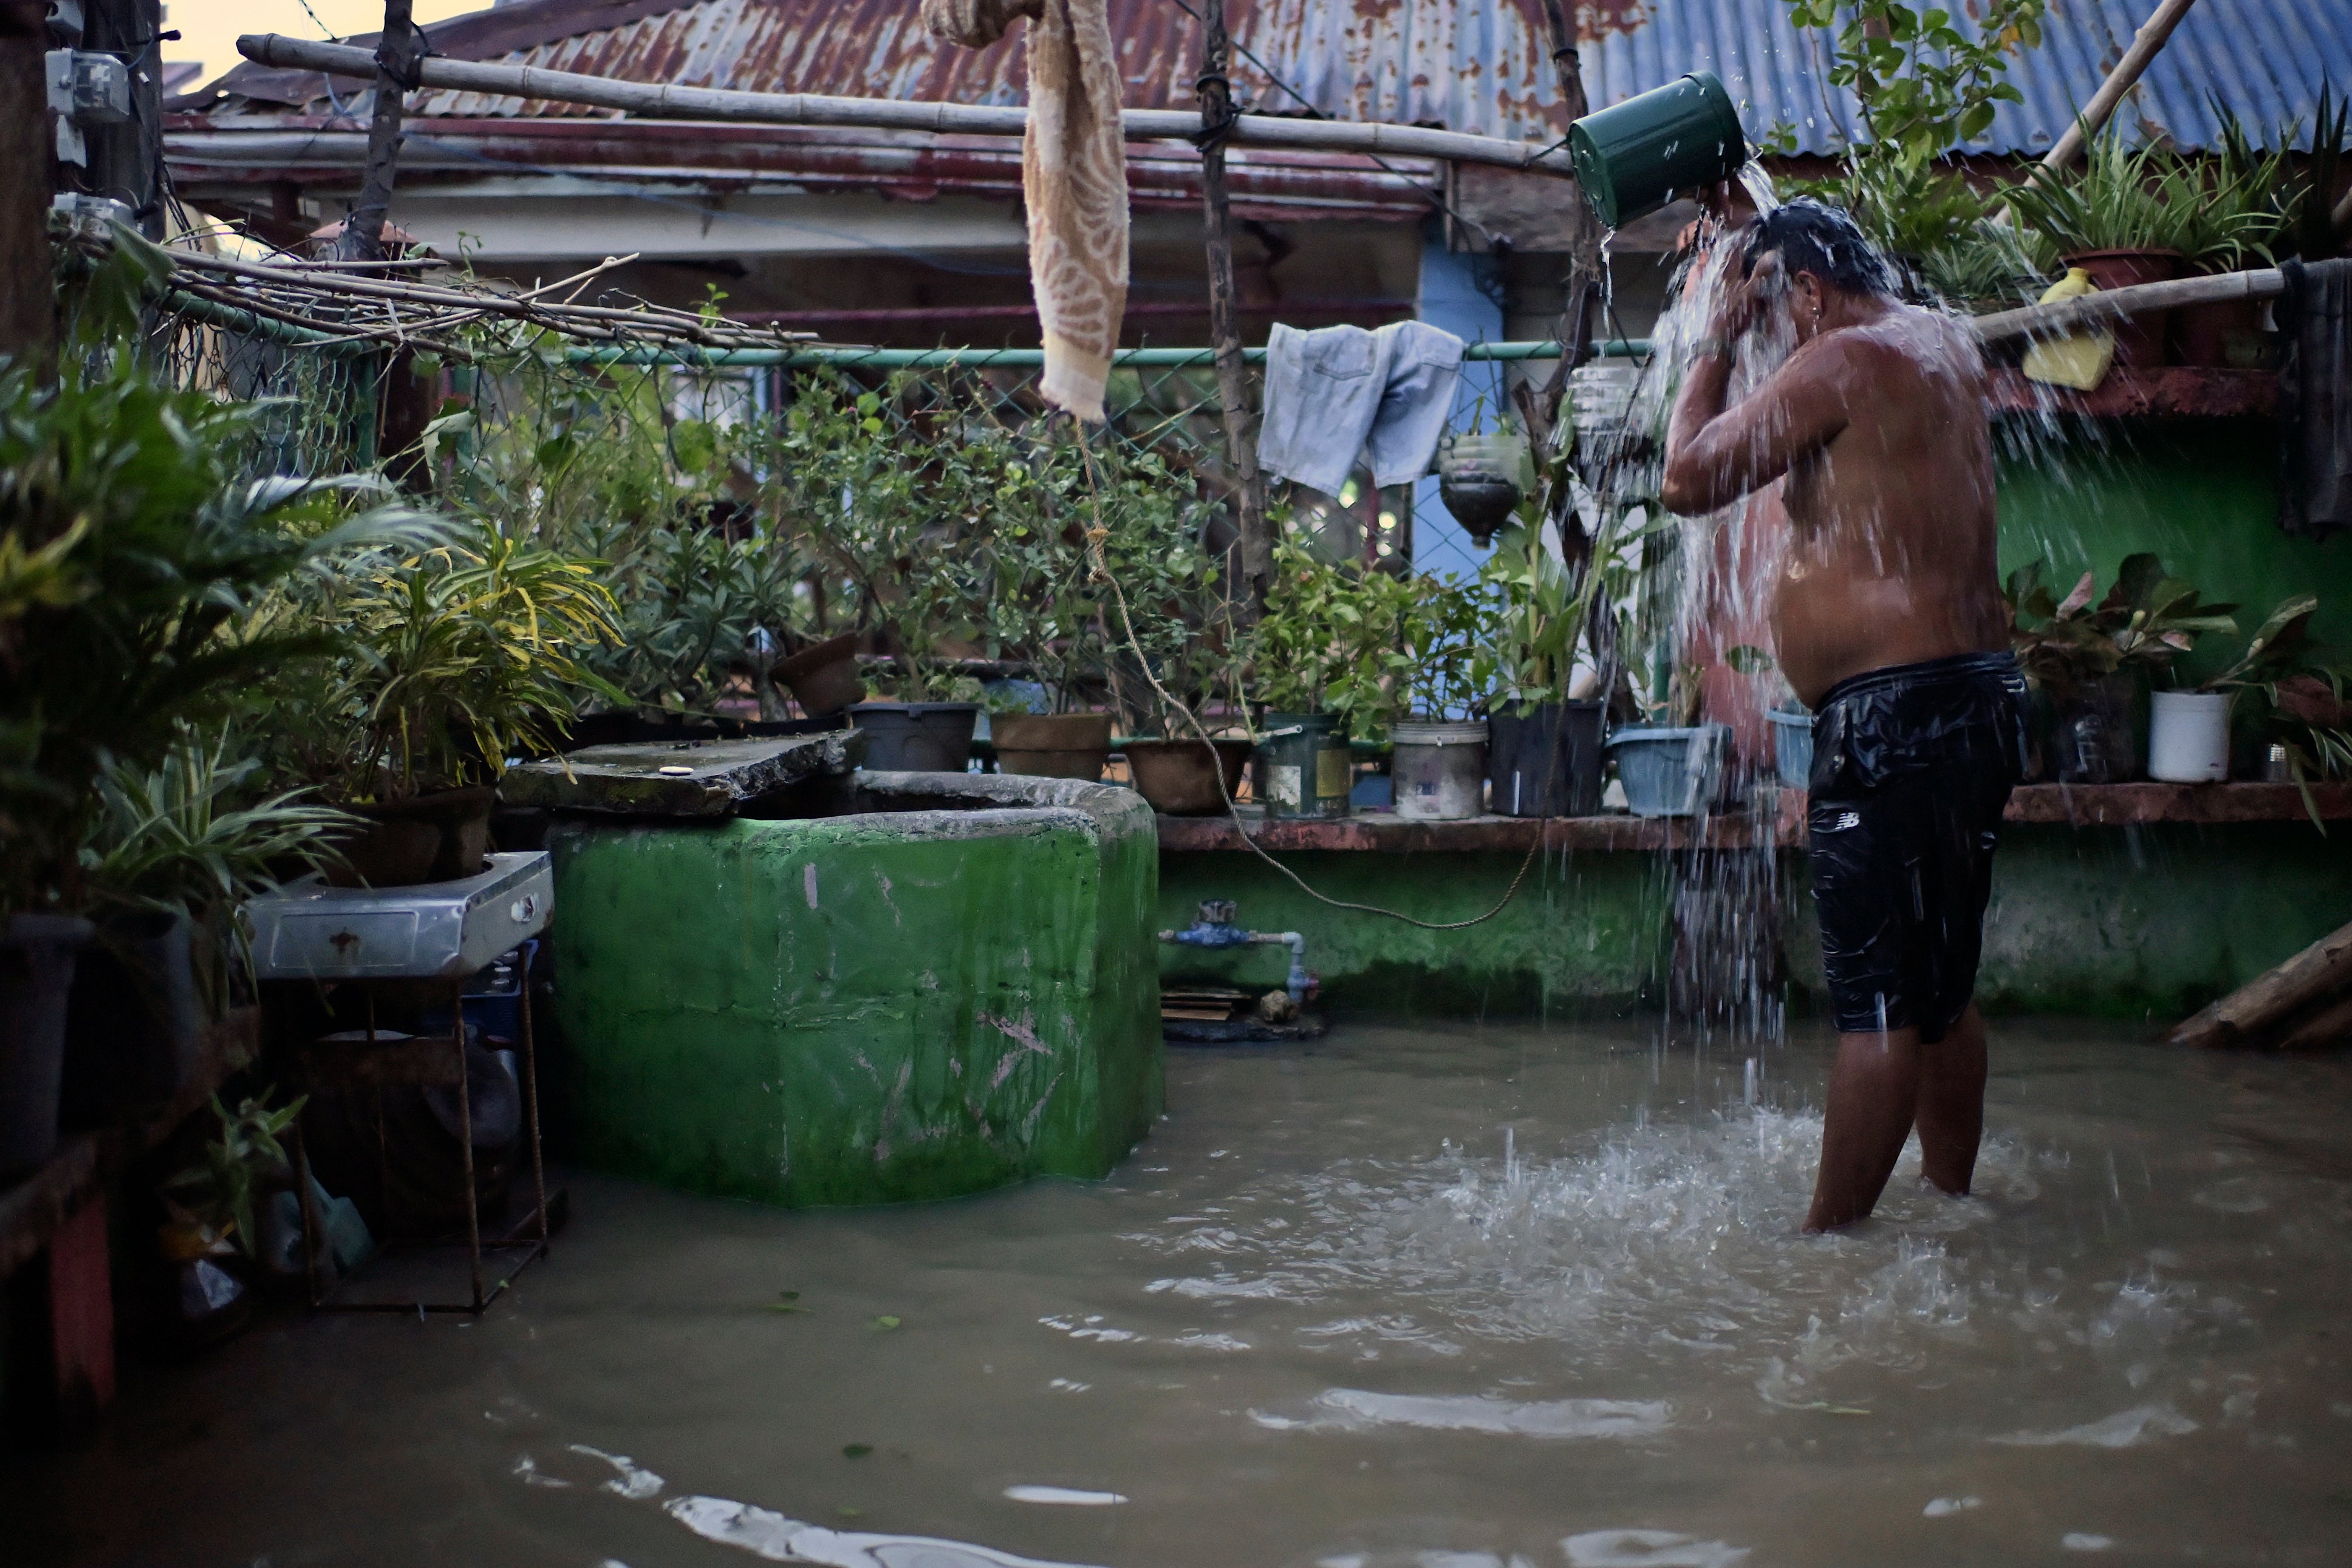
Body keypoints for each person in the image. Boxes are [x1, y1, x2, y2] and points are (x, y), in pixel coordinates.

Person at [1658, 199, 2028, 1232]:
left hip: (1889, 718)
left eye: (1773, 315)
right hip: (1978, 697)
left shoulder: (1841, 358)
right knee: (1943, 990)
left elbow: (1686, 477)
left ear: (1810, 293)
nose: (1770, 341)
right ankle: (1950, 1208)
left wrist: (1714, 344)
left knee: (1877, 1005)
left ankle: (1827, 1253)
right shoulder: (1943, 342)